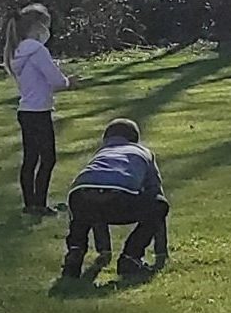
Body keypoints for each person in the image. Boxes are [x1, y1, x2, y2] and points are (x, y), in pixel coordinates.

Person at [62, 118, 170, 279]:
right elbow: (156, 192)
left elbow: (98, 202)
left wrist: (104, 250)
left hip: (79, 193)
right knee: (159, 205)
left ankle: (75, 253)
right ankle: (131, 257)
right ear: (135, 139)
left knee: (83, 215)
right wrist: (161, 251)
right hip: (118, 197)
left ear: (106, 139)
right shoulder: (144, 153)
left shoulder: (101, 152)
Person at [4, 3, 78, 216]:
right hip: (39, 112)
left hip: (26, 111)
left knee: (30, 159)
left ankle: (30, 204)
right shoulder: (37, 50)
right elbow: (54, 79)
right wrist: (68, 82)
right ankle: (40, 203)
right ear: (37, 27)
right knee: (48, 159)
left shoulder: (18, 51)